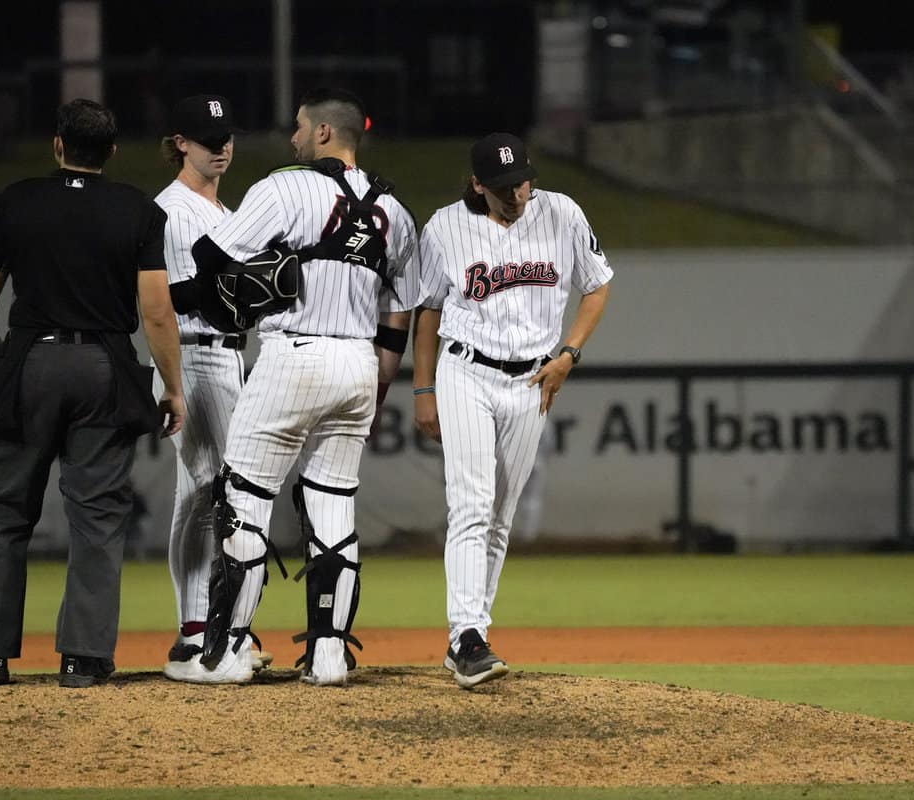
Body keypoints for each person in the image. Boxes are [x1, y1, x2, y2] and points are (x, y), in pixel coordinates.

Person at [186, 87, 421, 685]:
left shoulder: (283, 186)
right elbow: (401, 309)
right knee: (333, 507)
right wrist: (382, 378)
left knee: (244, 499)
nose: (291, 137)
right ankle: (329, 654)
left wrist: (228, 303)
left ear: (322, 134)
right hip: (358, 365)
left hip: (294, 356)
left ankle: (225, 653)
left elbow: (210, 257)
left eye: (298, 127)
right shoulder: (395, 211)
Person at [0, 99, 183, 688]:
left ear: (57, 145)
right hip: (105, 363)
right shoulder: (137, 208)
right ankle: (83, 658)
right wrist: (173, 387)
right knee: (98, 516)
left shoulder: (16, 200)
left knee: (2, 510)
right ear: (111, 150)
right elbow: (156, 312)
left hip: (30, 360)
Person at [412, 132, 612, 689]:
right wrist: (422, 389)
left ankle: (470, 636)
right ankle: (467, 636)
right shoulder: (444, 226)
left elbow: (598, 286)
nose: (516, 193)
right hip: (465, 369)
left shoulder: (562, 214)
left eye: (522, 181)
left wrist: (569, 353)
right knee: (471, 503)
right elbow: (428, 310)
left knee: (500, 515)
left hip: (531, 379)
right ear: (477, 183)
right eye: (502, 187)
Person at [152, 94, 271, 682]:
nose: (220, 146)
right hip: (193, 357)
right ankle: (198, 628)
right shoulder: (173, 211)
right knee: (205, 492)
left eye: (226, 136)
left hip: (225, 358)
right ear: (180, 142)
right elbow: (172, 302)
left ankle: (206, 625)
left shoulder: (222, 209)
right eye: (206, 138)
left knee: (205, 492)